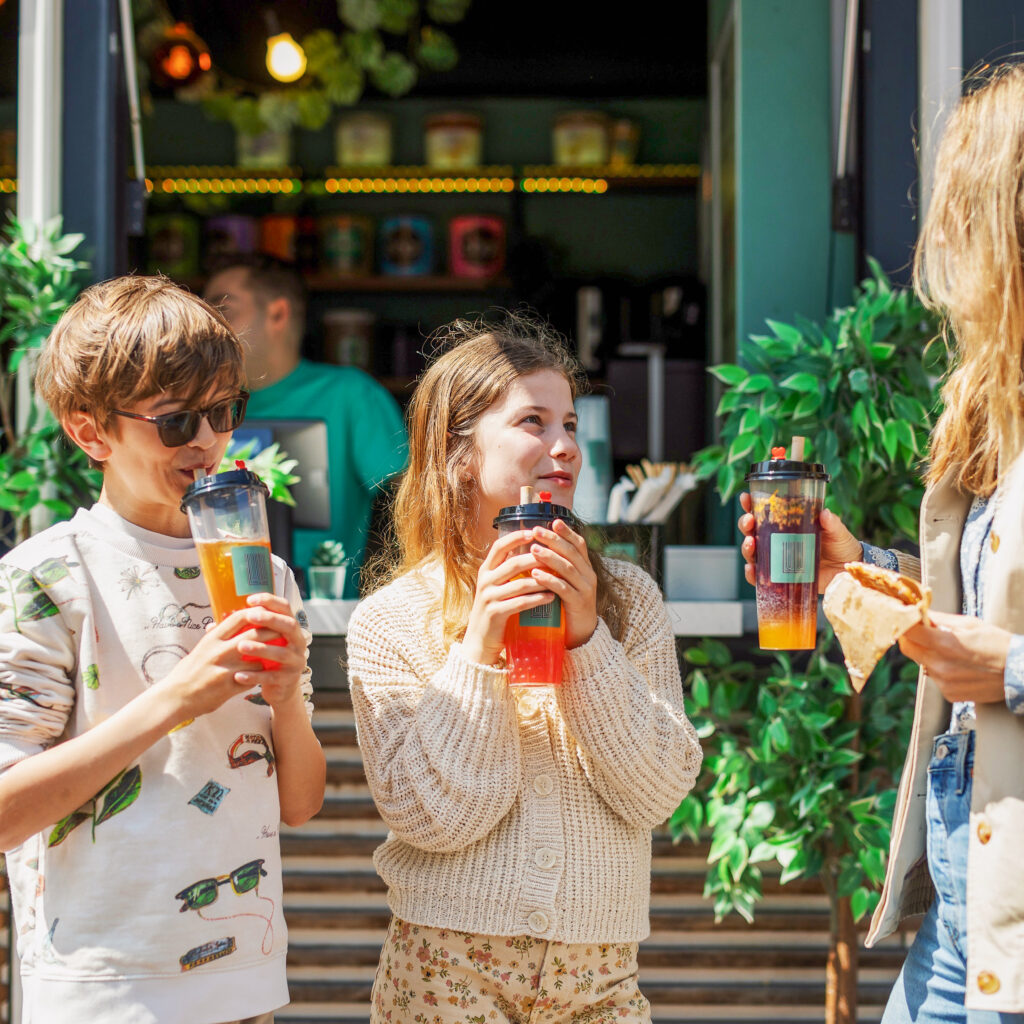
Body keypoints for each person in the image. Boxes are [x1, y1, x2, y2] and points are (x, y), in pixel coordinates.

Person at [739, 62, 1024, 1023]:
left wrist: (1015, 670)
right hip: (970, 894)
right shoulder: (999, 411)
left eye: (960, 210)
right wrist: (862, 574)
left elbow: (1005, 651)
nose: (939, 243)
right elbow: (988, 613)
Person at [345, 313, 703, 1022]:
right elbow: (432, 817)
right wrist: (479, 647)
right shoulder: (391, 620)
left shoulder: (627, 597)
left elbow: (658, 794)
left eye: (570, 424)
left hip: (599, 977)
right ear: (460, 454)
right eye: (533, 422)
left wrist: (585, 641)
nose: (564, 445)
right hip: (448, 969)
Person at [0, 276, 326, 1024]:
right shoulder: (48, 575)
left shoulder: (263, 570)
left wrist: (285, 701)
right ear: (91, 433)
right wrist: (179, 696)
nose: (209, 441)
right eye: (177, 421)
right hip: (103, 990)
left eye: (223, 412)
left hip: (245, 981)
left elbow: (301, 802)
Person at [202, 256, 407, 597]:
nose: (210, 327)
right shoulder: (193, 406)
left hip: (326, 619)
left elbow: (415, 506)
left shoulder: (349, 394)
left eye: (223, 310)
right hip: (209, 611)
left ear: (278, 314)